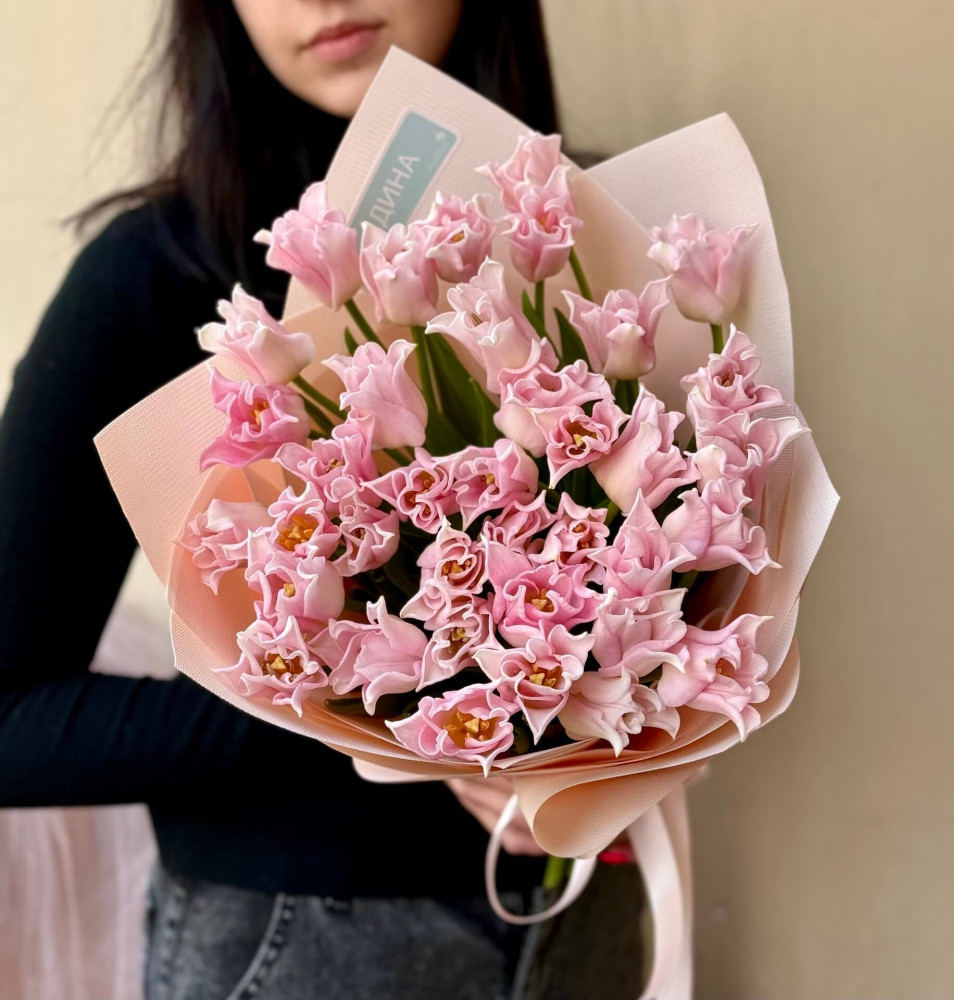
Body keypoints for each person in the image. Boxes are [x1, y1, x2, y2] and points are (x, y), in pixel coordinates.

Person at [0, 3, 562, 998]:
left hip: (579, 927)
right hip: (297, 943)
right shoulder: (156, 276)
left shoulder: (582, 235)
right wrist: (397, 712)